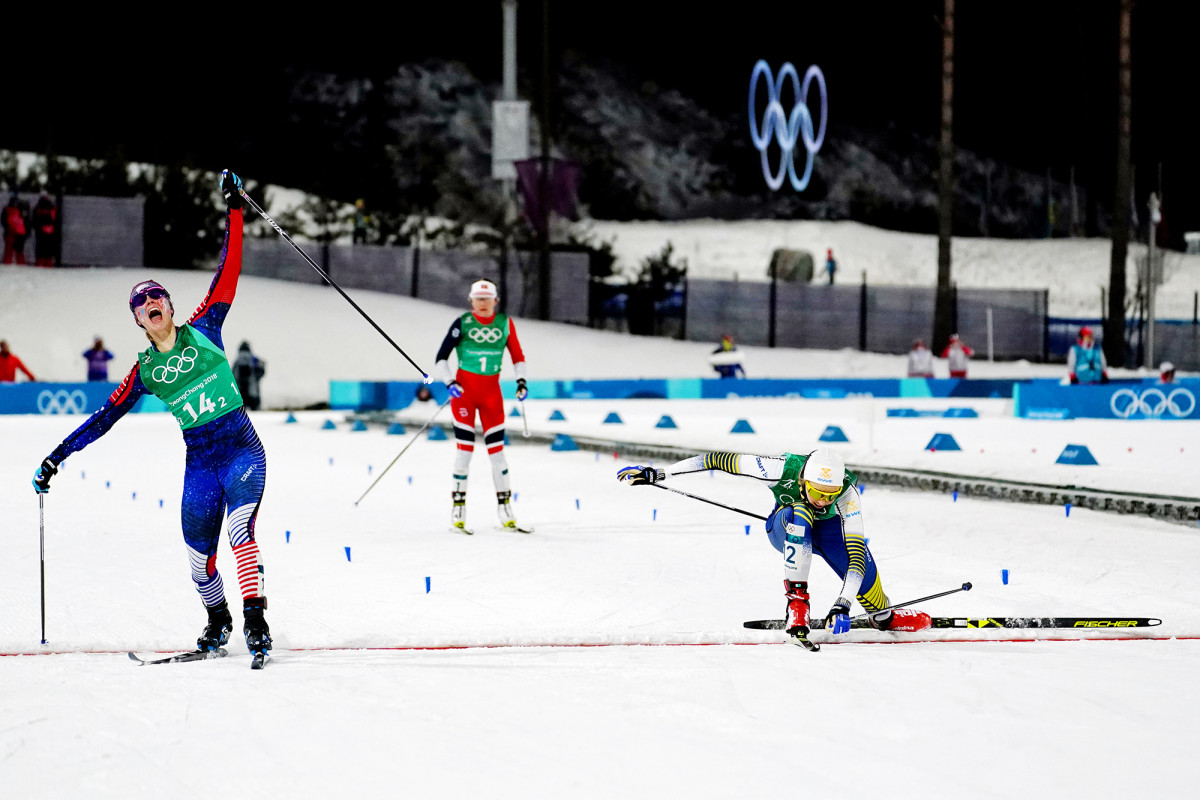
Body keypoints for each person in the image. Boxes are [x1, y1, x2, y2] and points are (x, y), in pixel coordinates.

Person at [30, 170, 274, 666]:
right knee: (197, 561)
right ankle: (217, 621)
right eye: (140, 303)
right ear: (138, 321)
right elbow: (102, 419)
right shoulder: (144, 371)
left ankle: (255, 622)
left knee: (240, 533)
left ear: (169, 305)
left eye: (156, 296)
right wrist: (56, 457)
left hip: (240, 447)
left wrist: (233, 208)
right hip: (201, 461)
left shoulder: (206, 326)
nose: (150, 303)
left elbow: (227, 269)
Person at [617, 448, 930, 651]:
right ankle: (797, 606)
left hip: (831, 533)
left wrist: (843, 604)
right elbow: (716, 460)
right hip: (786, 526)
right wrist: (660, 473)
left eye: (830, 494)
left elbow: (857, 557)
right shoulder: (778, 469)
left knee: (875, 600)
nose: (824, 499)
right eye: (818, 491)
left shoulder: (847, 496)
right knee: (802, 513)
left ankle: (886, 617)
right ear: (804, 480)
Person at [433, 278, 529, 534]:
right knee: (464, 452)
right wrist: (449, 382)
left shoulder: (505, 323)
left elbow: (517, 356)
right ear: (471, 300)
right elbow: (441, 357)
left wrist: (522, 382)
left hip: (491, 397)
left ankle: (505, 509)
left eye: (487, 299)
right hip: (464, 395)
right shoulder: (462, 323)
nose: (483, 304)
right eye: (478, 299)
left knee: (497, 455)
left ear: (495, 301)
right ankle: (458, 509)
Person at [232, 341, 266, 411]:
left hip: (240, 393)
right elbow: (260, 373)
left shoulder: (237, 361)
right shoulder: (254, 359)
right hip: (252, 393)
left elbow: (233, 376)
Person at [32, 192, 58, 267]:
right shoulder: (52, 207)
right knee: (49, 249)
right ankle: (48, 263)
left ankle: (41, 263)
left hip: (41, 231)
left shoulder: (38, 207)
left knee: (41, 249)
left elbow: (34, 220)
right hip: (50, 231)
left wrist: (38, 227)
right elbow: (55, 219)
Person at [3, 194, 27, 265]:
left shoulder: (20, 209)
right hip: (14, 231)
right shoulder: (9, 209)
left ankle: (18, 263)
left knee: (18, 250)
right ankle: (9, 263)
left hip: (17, 232)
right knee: (11, 250)